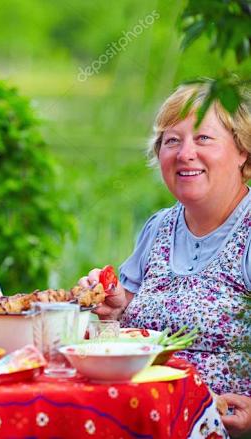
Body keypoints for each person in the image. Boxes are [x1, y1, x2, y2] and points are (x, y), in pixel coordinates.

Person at [79, 83, 251, 436]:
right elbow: (138, 312)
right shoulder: (159, 226)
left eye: (204, 138)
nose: (185, 153)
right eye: (172, 141)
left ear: (242, 152)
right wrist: (116, 304)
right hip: (143, 419)